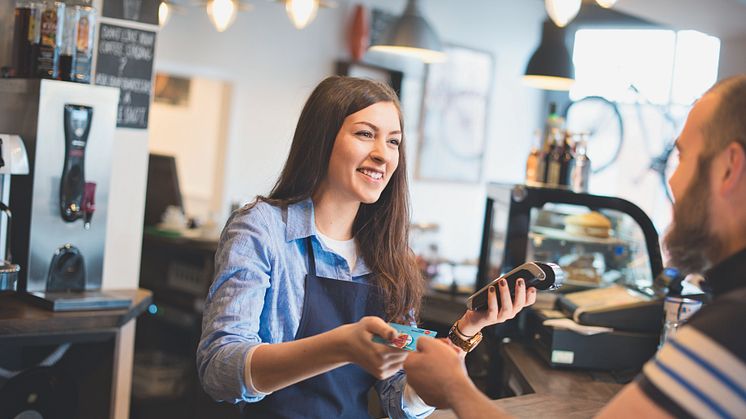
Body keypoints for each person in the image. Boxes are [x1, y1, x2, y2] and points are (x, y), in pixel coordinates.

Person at [404, 74, 746, 419]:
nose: (672, 178)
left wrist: (455, 388)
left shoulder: (731, 327)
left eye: (683, 156)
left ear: (730, 167)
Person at [196, 76, 537, 418]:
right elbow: (219, 370)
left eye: (393, 141)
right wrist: (340, 346)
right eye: (365, 134)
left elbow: (398, 400)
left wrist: (467, 329)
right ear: (322, 139)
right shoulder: (263, 228)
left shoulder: (391, 256)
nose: (382, 154)